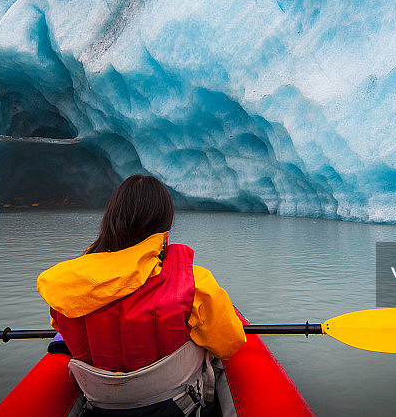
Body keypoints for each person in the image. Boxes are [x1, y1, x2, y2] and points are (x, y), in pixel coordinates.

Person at [37, 174, 246, 416]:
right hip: (180, 408)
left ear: (110, 219)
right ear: (164, 225)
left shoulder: (65, 287)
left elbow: (63, 329)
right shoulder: (194, 282)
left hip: (101, 408)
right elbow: (229, 344)